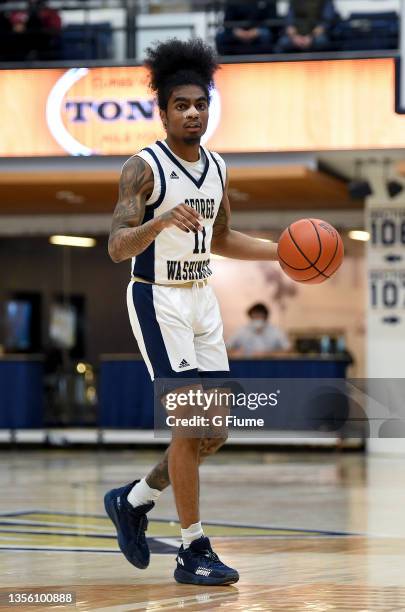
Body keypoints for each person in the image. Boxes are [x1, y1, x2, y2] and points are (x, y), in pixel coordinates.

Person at [104, 38, 279, 586]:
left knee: (215, 429)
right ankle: (191, 547)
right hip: (157, 298)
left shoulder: (219, 167)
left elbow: (222, 237)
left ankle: (133, 501)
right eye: (181, 104)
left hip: (201, 296)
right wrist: (158, 223)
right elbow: (115, 246)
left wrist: (283, 253)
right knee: (188, 422)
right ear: (163, 112)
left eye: (200, 103)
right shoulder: (143, 168)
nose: (192, 112)